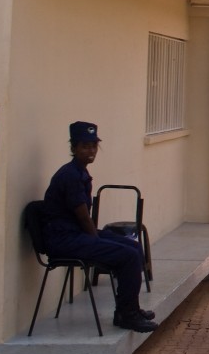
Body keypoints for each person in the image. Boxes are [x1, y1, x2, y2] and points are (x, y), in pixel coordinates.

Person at [41, 122, 157, 333]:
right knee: (127, 256)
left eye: (94, 146)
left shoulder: (80, 173)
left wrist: (98, 239)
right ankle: (126, 315)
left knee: (134, 247)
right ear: (74, 148)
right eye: (85, 146)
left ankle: (130, 308)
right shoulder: (70, 175)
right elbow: (84, 217)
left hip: (76, 234)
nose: (91, 151)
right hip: (64, 239)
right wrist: (97, 241)